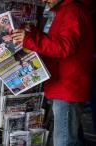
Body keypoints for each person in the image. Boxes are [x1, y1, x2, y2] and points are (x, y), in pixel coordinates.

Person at [12, 0, 94, 146]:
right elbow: (57, 41)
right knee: (72, 137)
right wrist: (34, 33)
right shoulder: (65, 9)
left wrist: (30, 40)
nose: (43, 0)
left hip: (67, 87)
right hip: (64, 84)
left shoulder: (72, 11)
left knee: (64, 141)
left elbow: (64, 47)